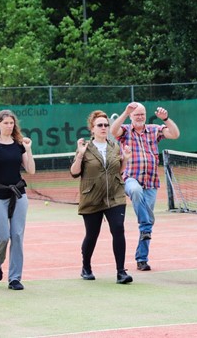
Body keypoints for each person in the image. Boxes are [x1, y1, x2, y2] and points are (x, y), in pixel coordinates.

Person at [110, 102, 180, 272]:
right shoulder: (125, 131)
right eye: (136, 114)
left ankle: (142, 259)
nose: (139, 117)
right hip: (130, 177)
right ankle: (147, 222)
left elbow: (175, 134)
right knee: (135, 191)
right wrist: (125, 113)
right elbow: (113, 131)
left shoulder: (154, 129)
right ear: (131, 117)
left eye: (142, 114)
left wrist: (166, 119)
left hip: (151, 181)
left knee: (145, 227)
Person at [70, 110, 133, 284]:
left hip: (115, 196)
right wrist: (80, 154)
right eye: (100, 125)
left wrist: (125, 159)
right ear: (92, 128)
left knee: (118, 229)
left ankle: (121, 272)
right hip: (92, 198)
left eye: (106, 125)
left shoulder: (115, 146)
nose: (104, 128)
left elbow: (118, 171)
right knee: (92, 234)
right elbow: (74, 172)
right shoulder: (85, 147)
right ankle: (86, 267)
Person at [0, 110, 35, 290]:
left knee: (17, 235)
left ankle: (14, 278)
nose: (9, 126)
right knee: (3, 236)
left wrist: (28, 149)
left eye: (11, 123)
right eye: (5, 123)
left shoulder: (19, 145)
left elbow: (31, 170)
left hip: (18, 194)